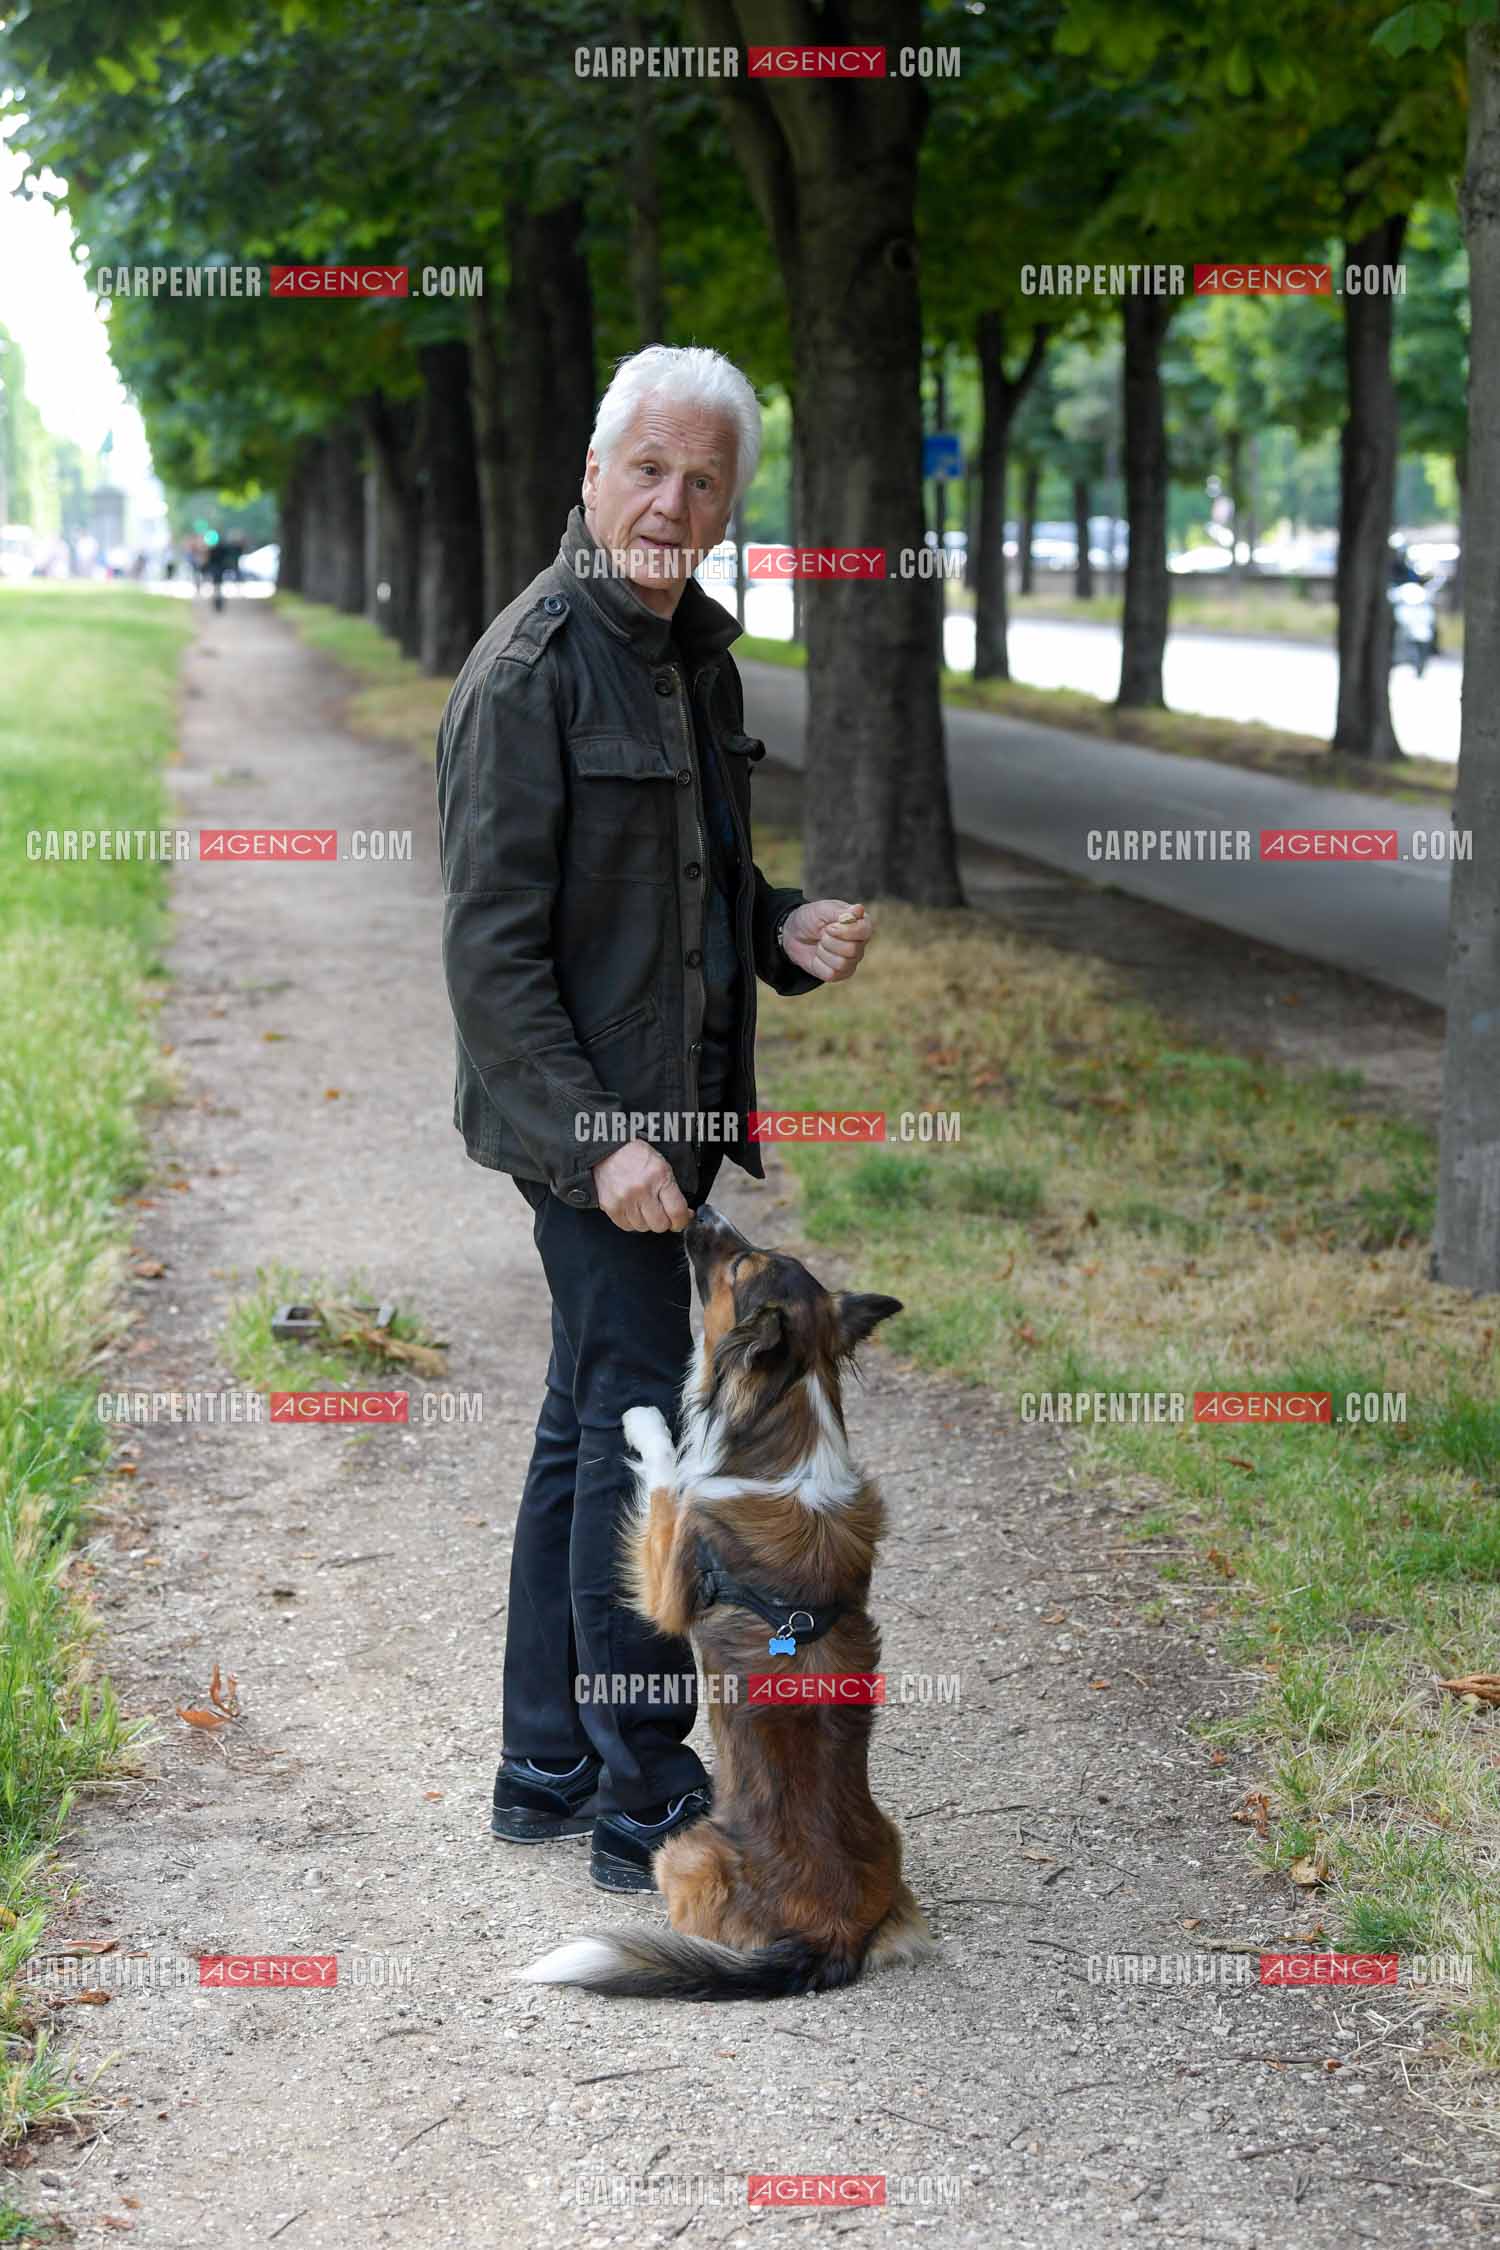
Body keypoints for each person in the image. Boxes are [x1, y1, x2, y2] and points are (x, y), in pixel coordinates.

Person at [435, 344, 876, 1892]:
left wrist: (779, 926)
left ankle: (544, 1762)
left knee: (588, 1424)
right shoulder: (533, 670)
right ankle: (645, 1796)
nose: (672, 501)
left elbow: (686, 881)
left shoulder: (694, 655)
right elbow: (492, 951)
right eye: (649, 468)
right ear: (592, 470)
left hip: (663, 1121)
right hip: (592, 1135)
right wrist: (599, 1141)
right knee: (641, 1449)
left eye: (704, 480)